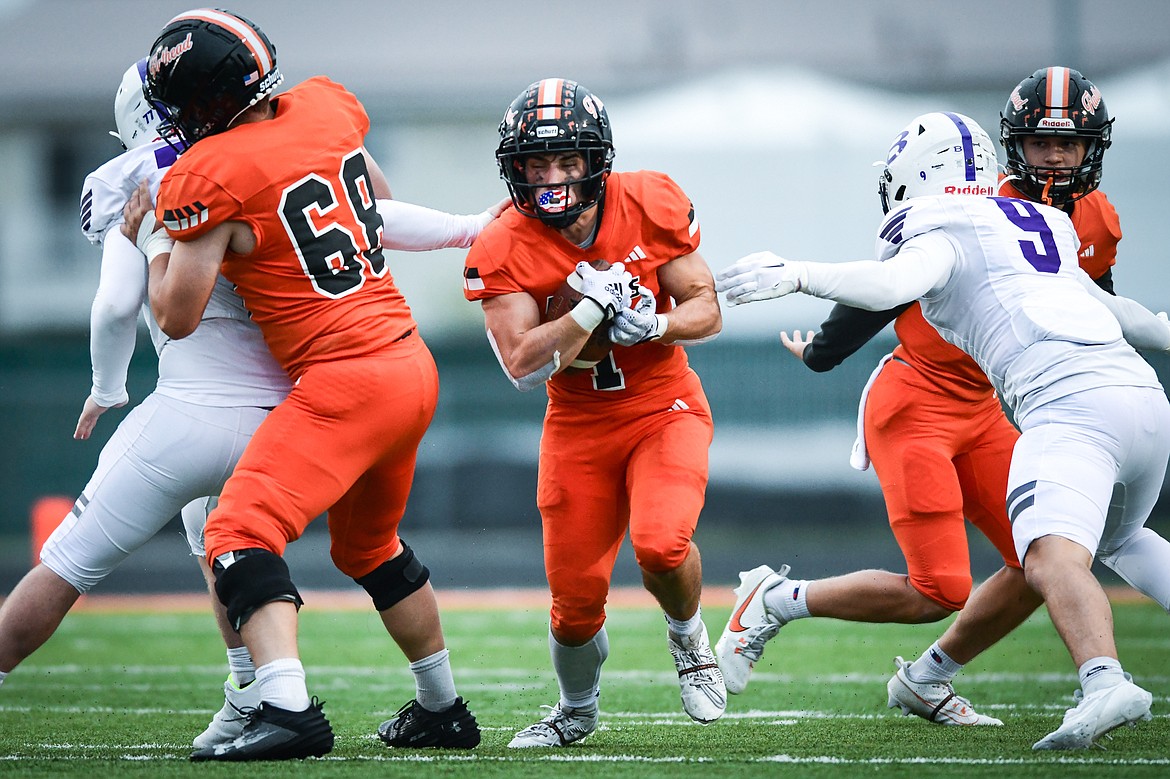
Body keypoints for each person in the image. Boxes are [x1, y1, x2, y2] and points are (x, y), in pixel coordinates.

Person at [715, 110, 1170, 750]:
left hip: (995, 404)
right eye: (1043, 144)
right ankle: (778, 598)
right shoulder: (1028, 219)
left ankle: (928, 679)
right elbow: (894, 286)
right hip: (918, 402)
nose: (1057, 159)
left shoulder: (1021, 217)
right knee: (943, 588)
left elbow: (907, 279)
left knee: (1039, 562)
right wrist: (818, 331)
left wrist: (796, 273)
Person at [124, 8, 505, 761]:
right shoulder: (327, 108)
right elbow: (373, 204)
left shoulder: (209, 174)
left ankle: (288, 707)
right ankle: (441, 706)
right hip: (407, 362)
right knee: (369, 546)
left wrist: (147, 235)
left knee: (234, 531)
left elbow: (177, 314)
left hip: (347, 377)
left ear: (204, 102)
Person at [0, 57, 290, 752]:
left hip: (192, 410)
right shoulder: (265, 159)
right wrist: (466, 228)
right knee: (221, 540)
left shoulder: (141, 182)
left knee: (65, 563)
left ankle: (269, 694)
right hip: (287, 411)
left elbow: (113, 308)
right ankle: (260, 692)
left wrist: (107, 388)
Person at [462, 77, 725, 747]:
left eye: (567, 160)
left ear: (595, 160)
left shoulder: (650, 200)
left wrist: (656, 325)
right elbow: (521, 361)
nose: (551, 176)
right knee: (575, 605)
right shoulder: (502, 244)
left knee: (662, 544)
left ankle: (689, 637)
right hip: (578, 424)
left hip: (661, 404)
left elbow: (707, 307)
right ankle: (576, 711)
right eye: (535, 163)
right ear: (514, 168)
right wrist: (589, 308)